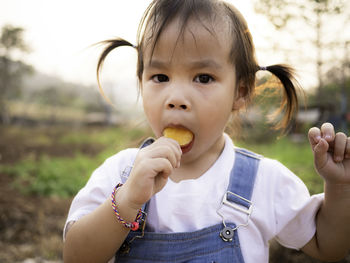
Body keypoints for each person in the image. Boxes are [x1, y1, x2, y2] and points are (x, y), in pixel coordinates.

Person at [63, 0, 350, 262]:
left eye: (203, 78)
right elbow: (76, 256)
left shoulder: (264, 181)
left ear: (241, 91)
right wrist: (127, 201)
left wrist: (339, 187)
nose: (176, 97)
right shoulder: (121, 173)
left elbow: (328, 247)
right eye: (160, 77)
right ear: (140, 82)